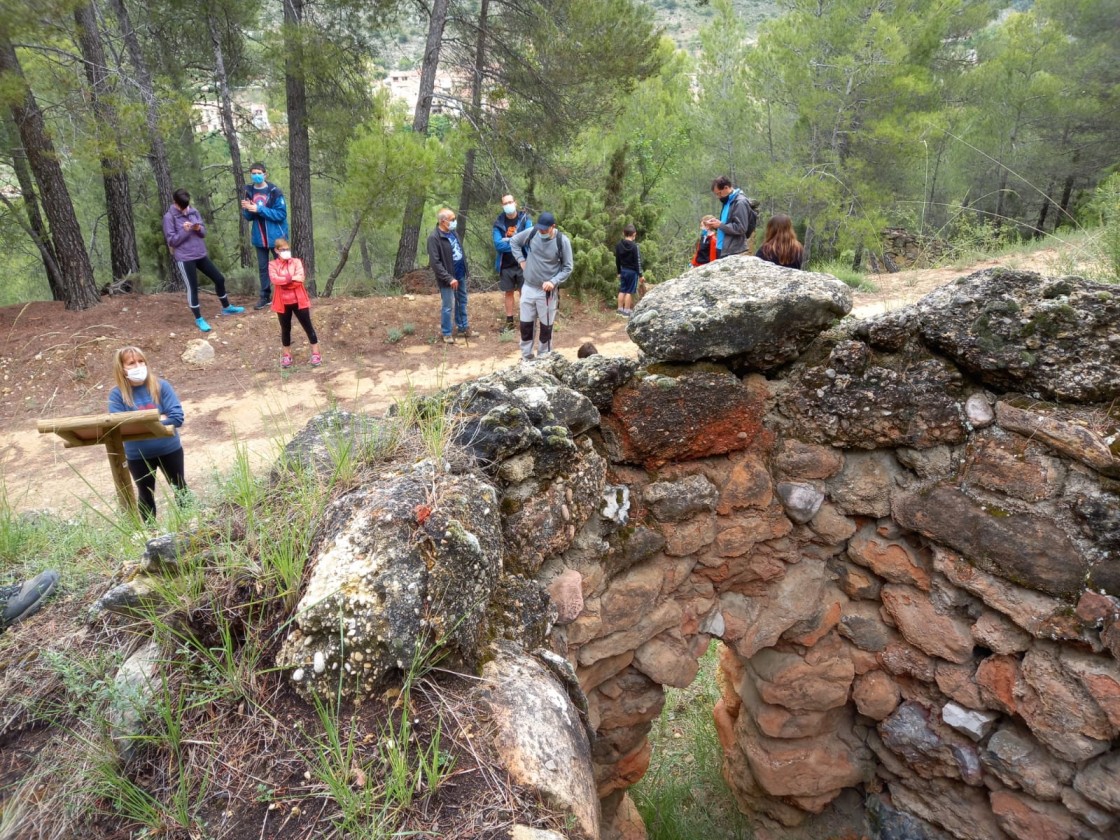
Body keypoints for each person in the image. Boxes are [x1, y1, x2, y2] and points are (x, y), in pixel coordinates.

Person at [108, 346, 187, 522]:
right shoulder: (116, 395)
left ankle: (190, 525)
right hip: (138, 455)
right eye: (131, 363)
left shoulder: (161, 386)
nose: (138, 366)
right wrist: (159, 418)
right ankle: (151, 533)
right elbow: (120, 427)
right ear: (121, 368)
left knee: (180, 487)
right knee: (145, 493)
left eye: (141, 361)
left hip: (170, 449)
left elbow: (177, 418)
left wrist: (138, 423)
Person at [162, 189, 244, 332]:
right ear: (175, 203)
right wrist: (184, 230)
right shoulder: (169, 217)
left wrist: (198, 228)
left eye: (187, 206)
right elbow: (172, 241)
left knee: (219, 279)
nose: (185, 209)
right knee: (192, 288)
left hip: (200, 253)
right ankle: (199, 318)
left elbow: (203, 233)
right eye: (182, 206)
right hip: (185, 257)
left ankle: (226, 307)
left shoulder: (193, 211)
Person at [510, 211, 573, 360]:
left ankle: (544, 358)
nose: (541, 231)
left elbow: (568, 267)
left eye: (545, 229)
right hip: (528, 287)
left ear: (553, 227)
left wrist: (553, 281)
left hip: (547, 293)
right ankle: (526, 357)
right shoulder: (532, 232)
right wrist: (521, 260)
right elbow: (514, 241)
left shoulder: (562, 241)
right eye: (540, 228)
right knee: (526, 325)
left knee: (546, 327)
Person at [240, 162, 289, 310]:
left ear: (265, 174)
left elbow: (281, 214)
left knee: (283, 265)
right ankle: (265, 296)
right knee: (263, 268)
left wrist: (259, 209)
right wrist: (247, 209)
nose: (256, 175)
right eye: (253, 173)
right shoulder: (248, 191)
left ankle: (286, 294)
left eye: (258, 173)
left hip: (278, 236)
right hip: (259, 237)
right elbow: (249, 217)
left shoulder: (274, 191)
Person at [269, 238, 322, 368]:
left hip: (299, 300)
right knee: (285, 329)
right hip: (282, 302)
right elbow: (275, 280)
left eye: (287, 249)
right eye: (282, 250)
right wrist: (291, 279)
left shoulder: (296, 262)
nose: (286, 252)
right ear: (276, 250)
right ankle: (287, 355)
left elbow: (300, 278)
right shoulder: (272, 264)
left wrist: (286, 281)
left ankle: (316, 353)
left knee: (308, 326)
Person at [426, 208, 474, 345]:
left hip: (460, 274)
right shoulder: (434, 238)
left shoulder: (453, 233)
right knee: (448, 305)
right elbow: (435, 263)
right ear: (443, 221)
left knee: (462, 301)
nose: (454, 222)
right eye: (452, 219)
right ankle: (446, 332)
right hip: (447, 279)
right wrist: (449, 278)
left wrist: (465, 270)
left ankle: (463, 328)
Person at [492, 194, 534, 333]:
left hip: (523, 262)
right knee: (508, 293)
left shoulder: (525, 219)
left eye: (510, 202)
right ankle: (509, 322)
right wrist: (517, 242)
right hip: (506, 264)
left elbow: (528, 239)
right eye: (505, 203)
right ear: (502, 205)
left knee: (524, 292)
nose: (508, 205)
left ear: (515, 203)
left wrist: (509, 241)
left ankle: (526, 321)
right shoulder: (499, 223)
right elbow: (498, 245)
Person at [704, 176, 757, 258]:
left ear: (726, 187)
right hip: (722, 247)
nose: (718, 197)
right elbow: (727, 222)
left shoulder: (740, 202)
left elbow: (741, 228)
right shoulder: (727, 201)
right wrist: (715, 223)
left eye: (719, 193)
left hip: (732, 250)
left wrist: (720, 225)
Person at [614, 224, 644, 317]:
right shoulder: (635, 247)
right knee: (629, 292)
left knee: (622, 290)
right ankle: (626, 311)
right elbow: (637, 262)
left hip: (623, 270)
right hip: (632, 272)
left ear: (624, 233)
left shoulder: (619, 245)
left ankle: (619, 310)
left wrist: (619, 272)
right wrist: (640, 275)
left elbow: (617, 260)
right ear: (634, 234)